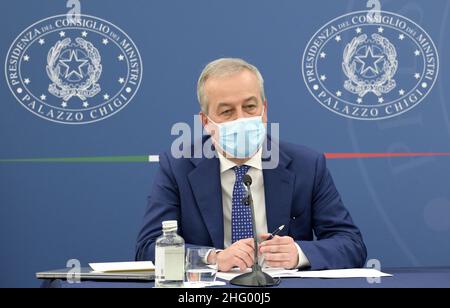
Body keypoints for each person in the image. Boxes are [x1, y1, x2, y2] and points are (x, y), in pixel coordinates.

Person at [136, 58, 367, 271]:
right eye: (227, 111)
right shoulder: (178, 166)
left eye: (250, 107)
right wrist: (213, 258)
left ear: (264, 110)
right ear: (206, 122)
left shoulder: (307, 165)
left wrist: (298, 253)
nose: (242, 119)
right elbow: (148, 249)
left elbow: (351, 245)